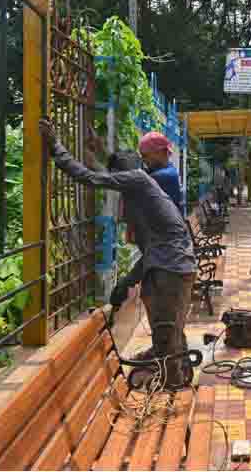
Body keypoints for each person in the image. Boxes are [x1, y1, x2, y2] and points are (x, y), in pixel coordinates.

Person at [37, 118, 196, 386]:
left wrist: (56, 148)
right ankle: (172, 369)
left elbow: (91, 177)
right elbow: (154, 251)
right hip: (171, 265)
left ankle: (172, 385)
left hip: (172, 268)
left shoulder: (140, 181)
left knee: (167, 332)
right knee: (168, 329)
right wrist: (127, 282)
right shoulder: (143, 189)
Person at [138, 131, 183, 214]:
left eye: (145, 155)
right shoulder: (169, 169)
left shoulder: (164, 176)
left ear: (159, 152)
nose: (143, 160)